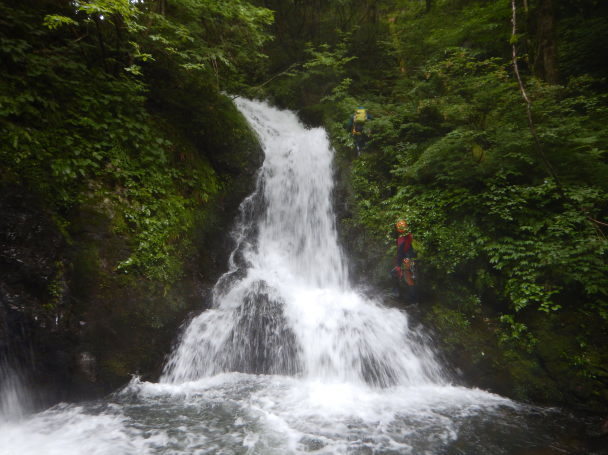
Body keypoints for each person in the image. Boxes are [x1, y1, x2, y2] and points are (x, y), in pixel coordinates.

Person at [391, 219, 417, 302]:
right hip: (409, 258)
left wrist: (398, 265)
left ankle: (412, 298)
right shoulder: (408, 236)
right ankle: (399, 293)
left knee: (407, 277)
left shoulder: (403, 239)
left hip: (407, 259)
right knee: (403, 276)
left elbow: (401, 253)